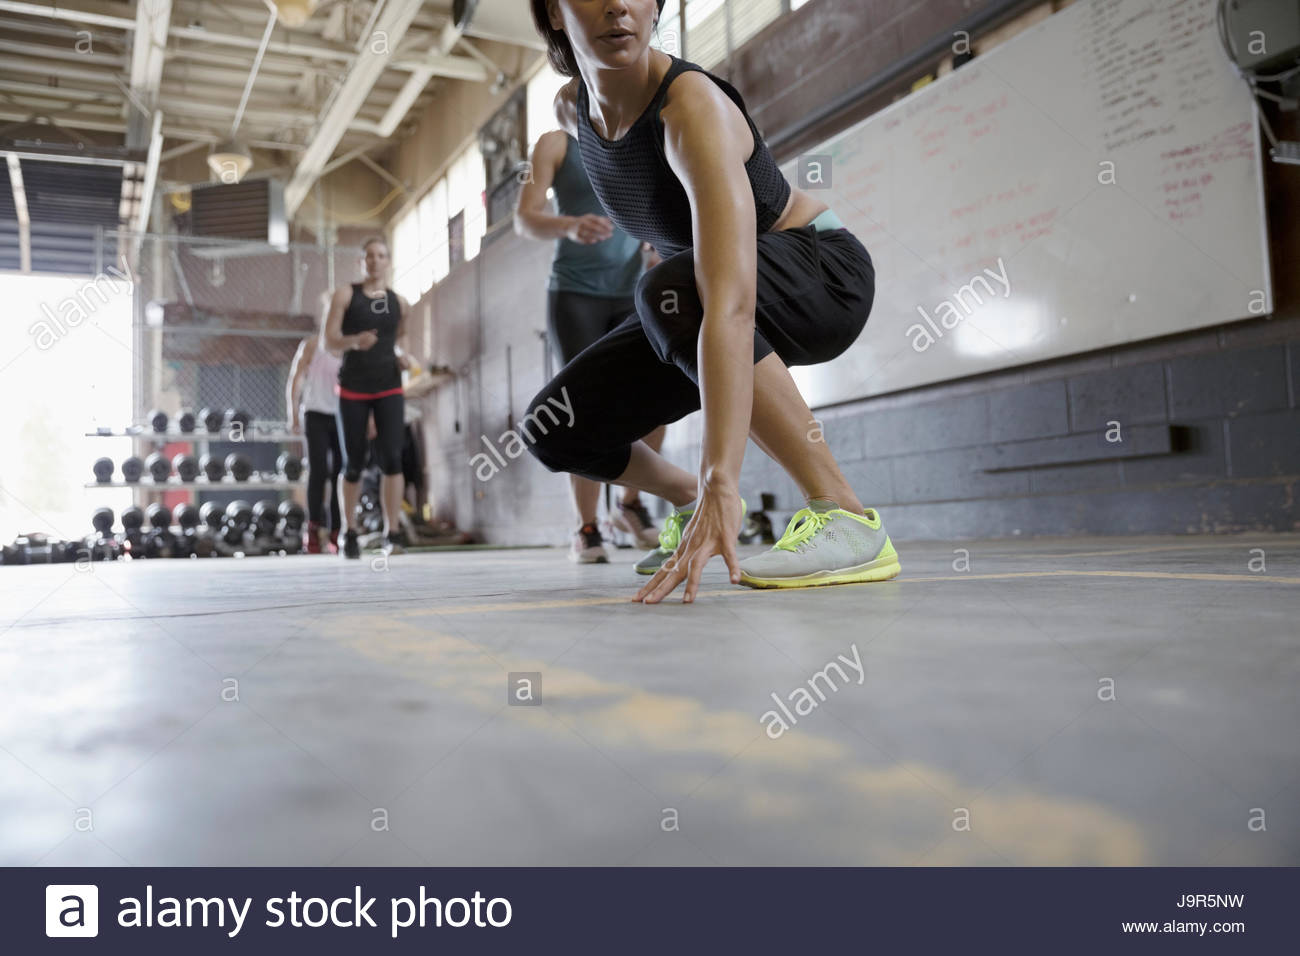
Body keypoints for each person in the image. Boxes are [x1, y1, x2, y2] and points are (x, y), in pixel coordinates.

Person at [525, 0, 901, 603]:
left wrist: (722, 476)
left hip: (820, 272)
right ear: (552, 12)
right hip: (697, 292)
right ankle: (686, 502)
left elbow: (729, 304)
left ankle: (846, 518)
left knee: (668, 290)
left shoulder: (689, 105)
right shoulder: (571, 110)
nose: (618, 4)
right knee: (554, 426)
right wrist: (703, 489)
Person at [515, 127, 667, 563]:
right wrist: (569, 225)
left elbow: (657, 205)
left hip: (633, 288)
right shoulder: (553, 144)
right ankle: (586, 527)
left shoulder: (641, 138)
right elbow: (524, 218)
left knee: (657, 393)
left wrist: (655, 242)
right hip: (575, 294)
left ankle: (630, 504)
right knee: (580, 405)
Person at [321, 236, 413, 559]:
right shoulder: (346, 295)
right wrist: (354, 341)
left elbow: (398, 340)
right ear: (362, 262)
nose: (375, 261)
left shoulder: (400, 302)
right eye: (369, 256)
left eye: (381, 255)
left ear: (388, 261)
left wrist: (402, 355)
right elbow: (328, 341)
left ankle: (393, 533)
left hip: (389, 385)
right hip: (353, 388)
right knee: (353, 461)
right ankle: (349, 530)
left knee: (392, 458)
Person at [286, 307, 343, 554]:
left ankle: (336, 531)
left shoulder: (348, 348)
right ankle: (313, 530)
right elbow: (295, 379)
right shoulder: (310, 345)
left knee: (340, 472)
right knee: (319, 470)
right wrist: (293, 413)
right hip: (315, 414)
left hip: (341, 416)